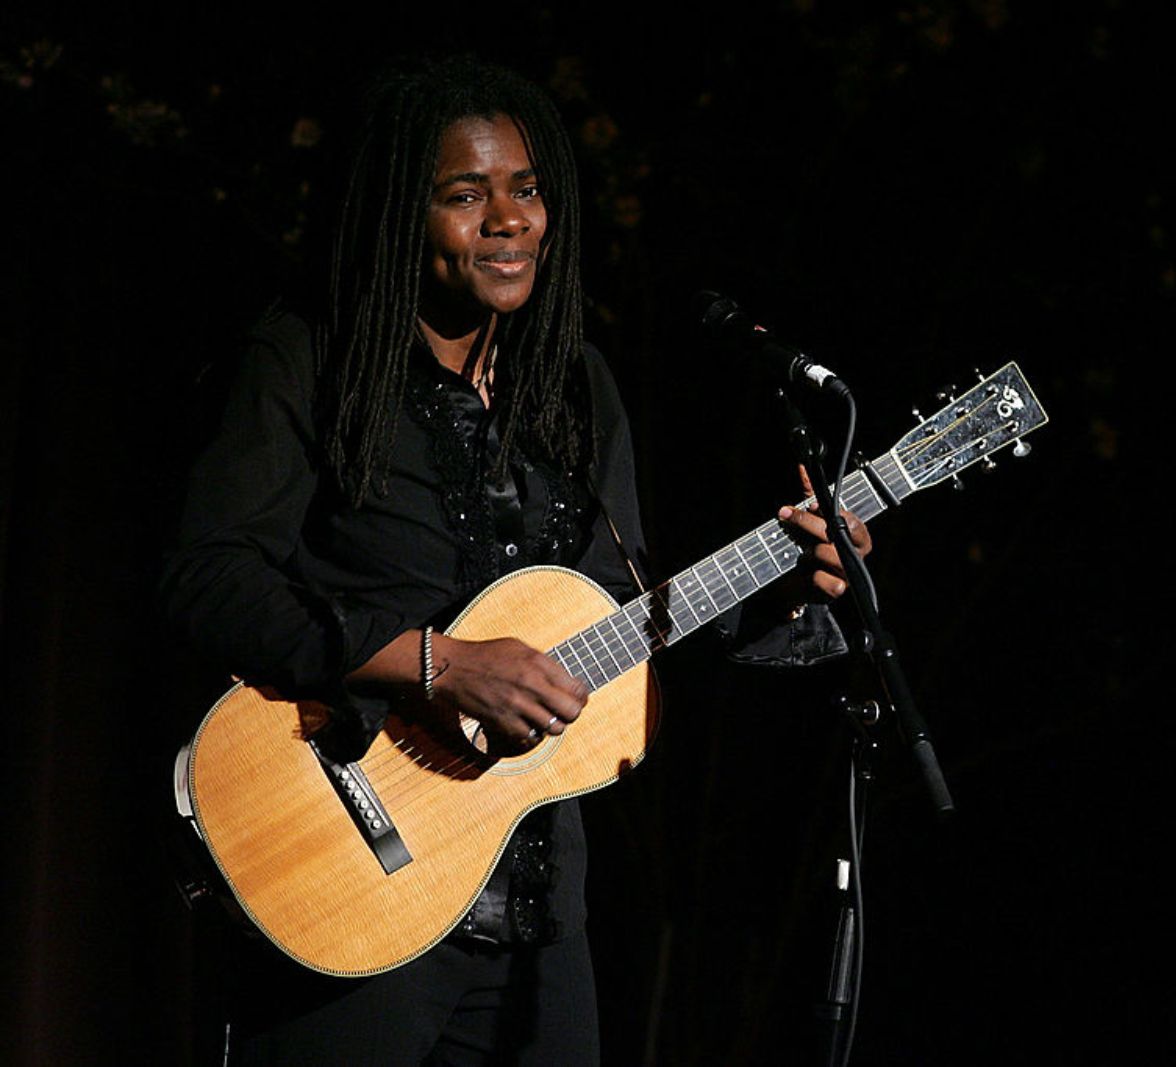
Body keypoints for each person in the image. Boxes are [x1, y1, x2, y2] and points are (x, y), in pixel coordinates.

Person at [160, 54, 869, 1065]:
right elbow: (206, 577)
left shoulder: (575, 390)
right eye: (466, 194)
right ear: (402, 214)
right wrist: (437, 662)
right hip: (345, 883)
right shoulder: (307, 360)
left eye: (526, 189)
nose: (509, 219)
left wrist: (787, 582)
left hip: (539, 918)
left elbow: (622, 617)